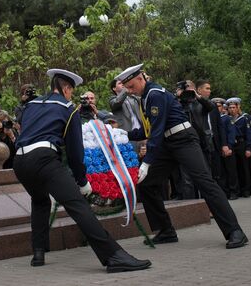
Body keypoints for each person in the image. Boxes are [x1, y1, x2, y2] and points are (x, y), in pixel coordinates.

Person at [13, 68, 151, 273]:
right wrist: (82, 181)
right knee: (78, 206)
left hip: (20, 161)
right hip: (44, 158)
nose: (71, 95)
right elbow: (75, 151)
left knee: (39, 200)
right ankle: (113, 257)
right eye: (71, 91)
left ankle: (38, 252)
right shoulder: (68, 108)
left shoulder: (30, 105)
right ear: (66, 88)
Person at [117, 63, 248, 249]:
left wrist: (147, 161)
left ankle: (235, 231)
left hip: (183, 139)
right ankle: (166, 231)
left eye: (131, 87)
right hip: (166, 143)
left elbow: (156, 129)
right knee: (147, 184)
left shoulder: (155, 94)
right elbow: (149, 129)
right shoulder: (145, 96)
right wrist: (122, 134)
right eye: (127, 88)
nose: (130, 91)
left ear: (141, 78)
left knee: (205, 182)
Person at [226, 98, 251, 197]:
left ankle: (246, 190)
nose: (232, 109)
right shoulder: (227, 119)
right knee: (233, 168)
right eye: (230, 107)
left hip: (242, 144)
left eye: (234, 107)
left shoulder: (244, 118)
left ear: (238, 108)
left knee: (244, 168)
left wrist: (248, 148)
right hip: (232, 145)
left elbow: (249, 134)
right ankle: (236, 190)